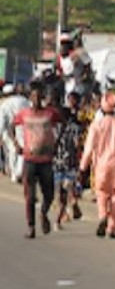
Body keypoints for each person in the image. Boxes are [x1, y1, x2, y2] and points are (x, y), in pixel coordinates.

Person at [16, 83, 63, 238]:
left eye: (38, 96)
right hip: (29, 159)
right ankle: (31, 227)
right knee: (29, 195)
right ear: (30, 97)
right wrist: (17, 144)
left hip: (46, 160)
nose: (36, 99)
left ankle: (43, 213)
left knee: (48, 193)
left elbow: (62, 123)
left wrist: (55, 143)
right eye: (33, 96)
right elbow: (11, 126)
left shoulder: (50, 113)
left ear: (42, 97)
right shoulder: (24, 114)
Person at [80, 91, 115, 239]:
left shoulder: (96, 125)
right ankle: (112, 228)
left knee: (101, 193)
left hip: (101, 164)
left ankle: (102, 216)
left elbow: (88, 148)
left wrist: (83, 167)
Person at [51, 90, 85, 228]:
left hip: (57, 163)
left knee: (60, 194)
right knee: (69, 187)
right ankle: (73, 202)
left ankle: (59, 219)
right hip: (71, 162)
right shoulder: (76, 128)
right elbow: (78, 145)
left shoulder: (54, 128)